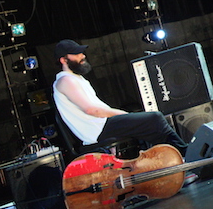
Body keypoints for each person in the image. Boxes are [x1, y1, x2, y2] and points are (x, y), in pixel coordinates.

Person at [52, 39, 187, 156]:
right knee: (154, 118)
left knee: (150, 124)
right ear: (63, 60)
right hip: (97, 129)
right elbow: (92, 110)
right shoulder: (65, 81)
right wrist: (122, 114)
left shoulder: (74, 78)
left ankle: (172, 156)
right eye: (76, 54)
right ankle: (184, 153)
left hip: (101, 125)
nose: (82, 56)